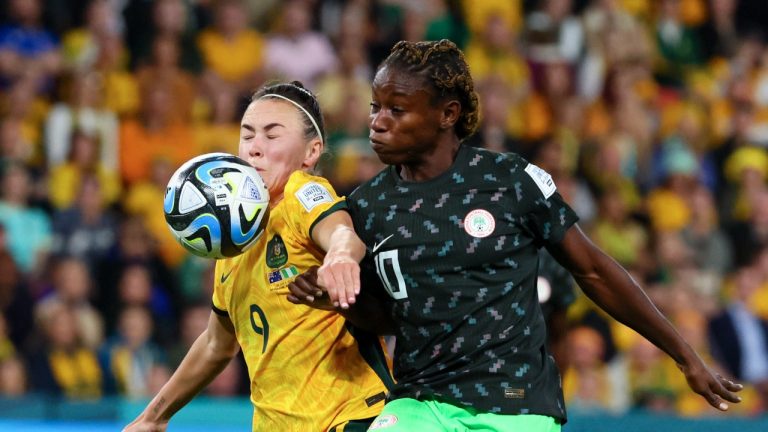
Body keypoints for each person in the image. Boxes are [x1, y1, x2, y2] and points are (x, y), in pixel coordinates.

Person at [288, 40, 742, 431]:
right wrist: (338, 299)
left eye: (397, 109)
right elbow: (387, 317)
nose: (378, 122)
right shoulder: (365, 207)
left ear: (448, 113)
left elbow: (595, 271)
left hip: (515, 403)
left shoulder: (511, 181)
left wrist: (685, 356)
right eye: (375, 107)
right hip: (420, 403)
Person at [123, 81, 392, 432]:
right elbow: (216, 345)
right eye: (247, 135)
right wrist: (153, 416)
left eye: (271, 135)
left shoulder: (300, 194)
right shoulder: (232, 244)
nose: (255, 149)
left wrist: (340, 258)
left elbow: (342, 234)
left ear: (311, 153)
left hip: (350, 415)